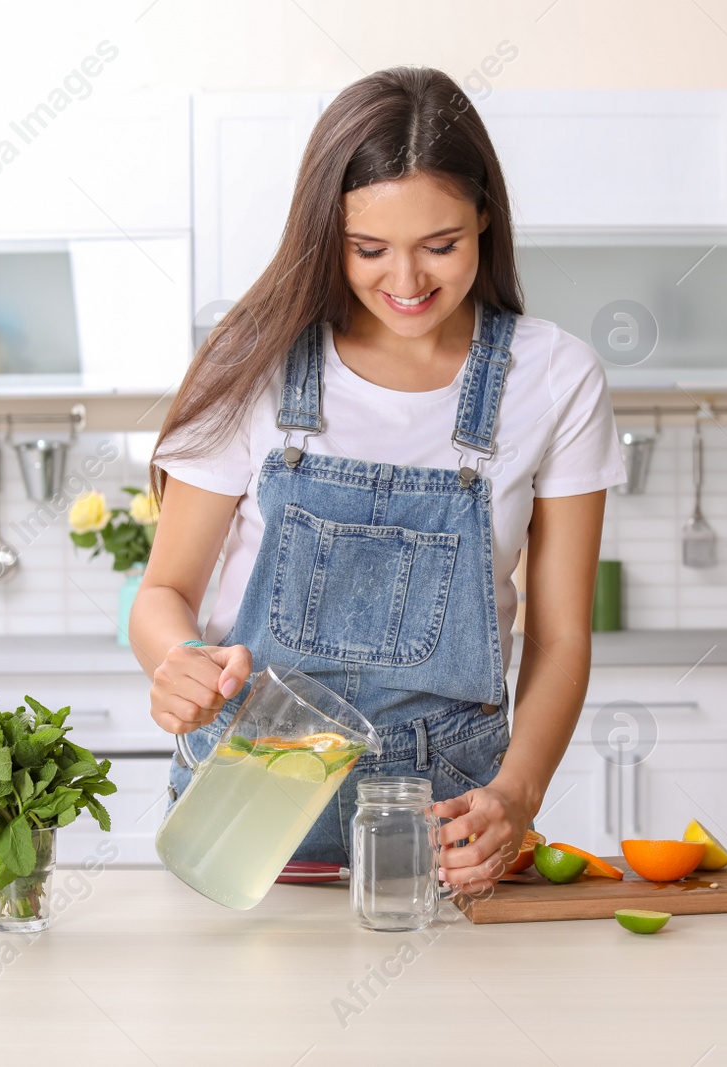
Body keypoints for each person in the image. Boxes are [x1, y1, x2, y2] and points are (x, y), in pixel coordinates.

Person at [132, 66, 624, 894]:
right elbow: (163, 592)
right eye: (370, 249)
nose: (406, 281)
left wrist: (517, 793)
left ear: (484, 224)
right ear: (329, 233)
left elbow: (559, 636)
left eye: (441, 246)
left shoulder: (555, 376)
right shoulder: (255, 358)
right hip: (240, 823)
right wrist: (176, 660)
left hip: (442, 843)